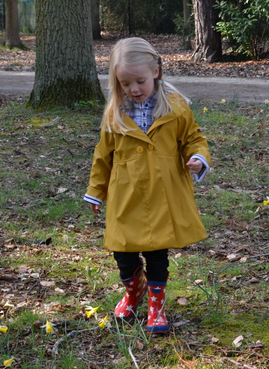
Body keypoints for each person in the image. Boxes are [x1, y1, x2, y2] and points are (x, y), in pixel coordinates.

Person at [84, 37, 210, 334]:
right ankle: (133, 290)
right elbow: (103, 156)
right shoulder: (115, 114)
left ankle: (157, 304)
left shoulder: (176, 108)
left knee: (156, 252)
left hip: (162, 194)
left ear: (156, 71)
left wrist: (197, 158)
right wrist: (95, 191)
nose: (134, 89)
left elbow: (195, 138)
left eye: (139, 81)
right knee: (123, 252)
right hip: (124, 196)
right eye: (125, 84)